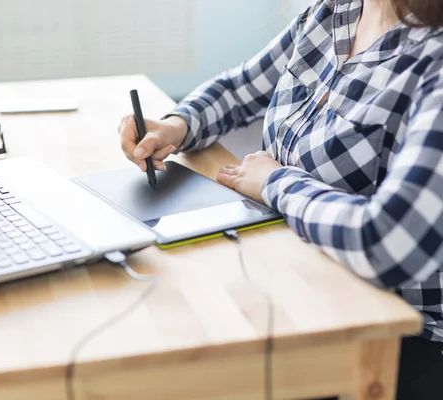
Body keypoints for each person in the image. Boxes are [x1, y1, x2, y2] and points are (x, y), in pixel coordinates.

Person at [118, 0, 443, 398]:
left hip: (401, 334)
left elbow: (388, 243)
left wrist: (276, 182)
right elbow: (241, 90)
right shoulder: (335, 13)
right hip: (294, 273)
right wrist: (176, 126)